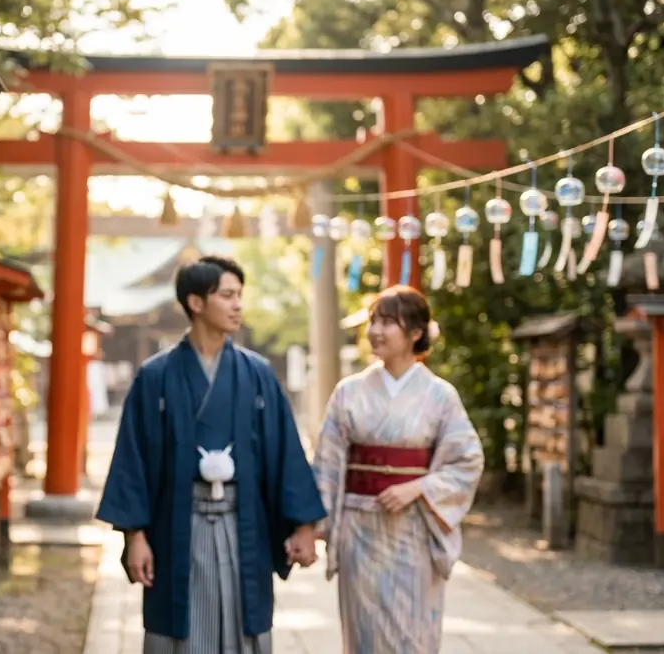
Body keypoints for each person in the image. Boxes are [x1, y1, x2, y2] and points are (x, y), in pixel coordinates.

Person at [97, 255, 327, 654]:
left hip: (244, 523)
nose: (238, 304)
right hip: (178, 525)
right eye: (227, 295)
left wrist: (304, 526)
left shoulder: (256, 375)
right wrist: (135, 536)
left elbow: (285, 452)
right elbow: (133, 460)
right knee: (180, 627)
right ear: (196, 303)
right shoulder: (156, 377)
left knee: (245, 624)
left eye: (240, 295)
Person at [312, 284, 484, 653]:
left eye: (388, 322)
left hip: (413, 530)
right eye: (373, 321)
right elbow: (327, 462)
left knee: (414, 632)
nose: (375, 331)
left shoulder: (439, 394)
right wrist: (313, 528)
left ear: (416, 332)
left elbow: (467, 458)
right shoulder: (349, 391)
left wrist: (419, 487)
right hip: (360, 530)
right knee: (364, 633)